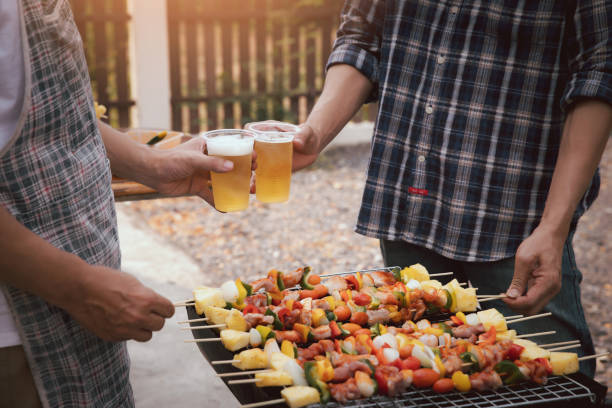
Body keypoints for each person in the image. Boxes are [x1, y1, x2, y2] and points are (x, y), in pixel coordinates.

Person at [293, 1, 612, 377]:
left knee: (550, 382)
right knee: (419, 378)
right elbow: (362, 37)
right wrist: (315, 133)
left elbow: (600, 67)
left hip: (515, 223)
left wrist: (553, 228)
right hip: (406, 203)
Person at [0, 1, 239, 406]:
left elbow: (59, 113)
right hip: (17, 334)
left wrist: (151, 165)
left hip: (85, 298)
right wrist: (78, 288)